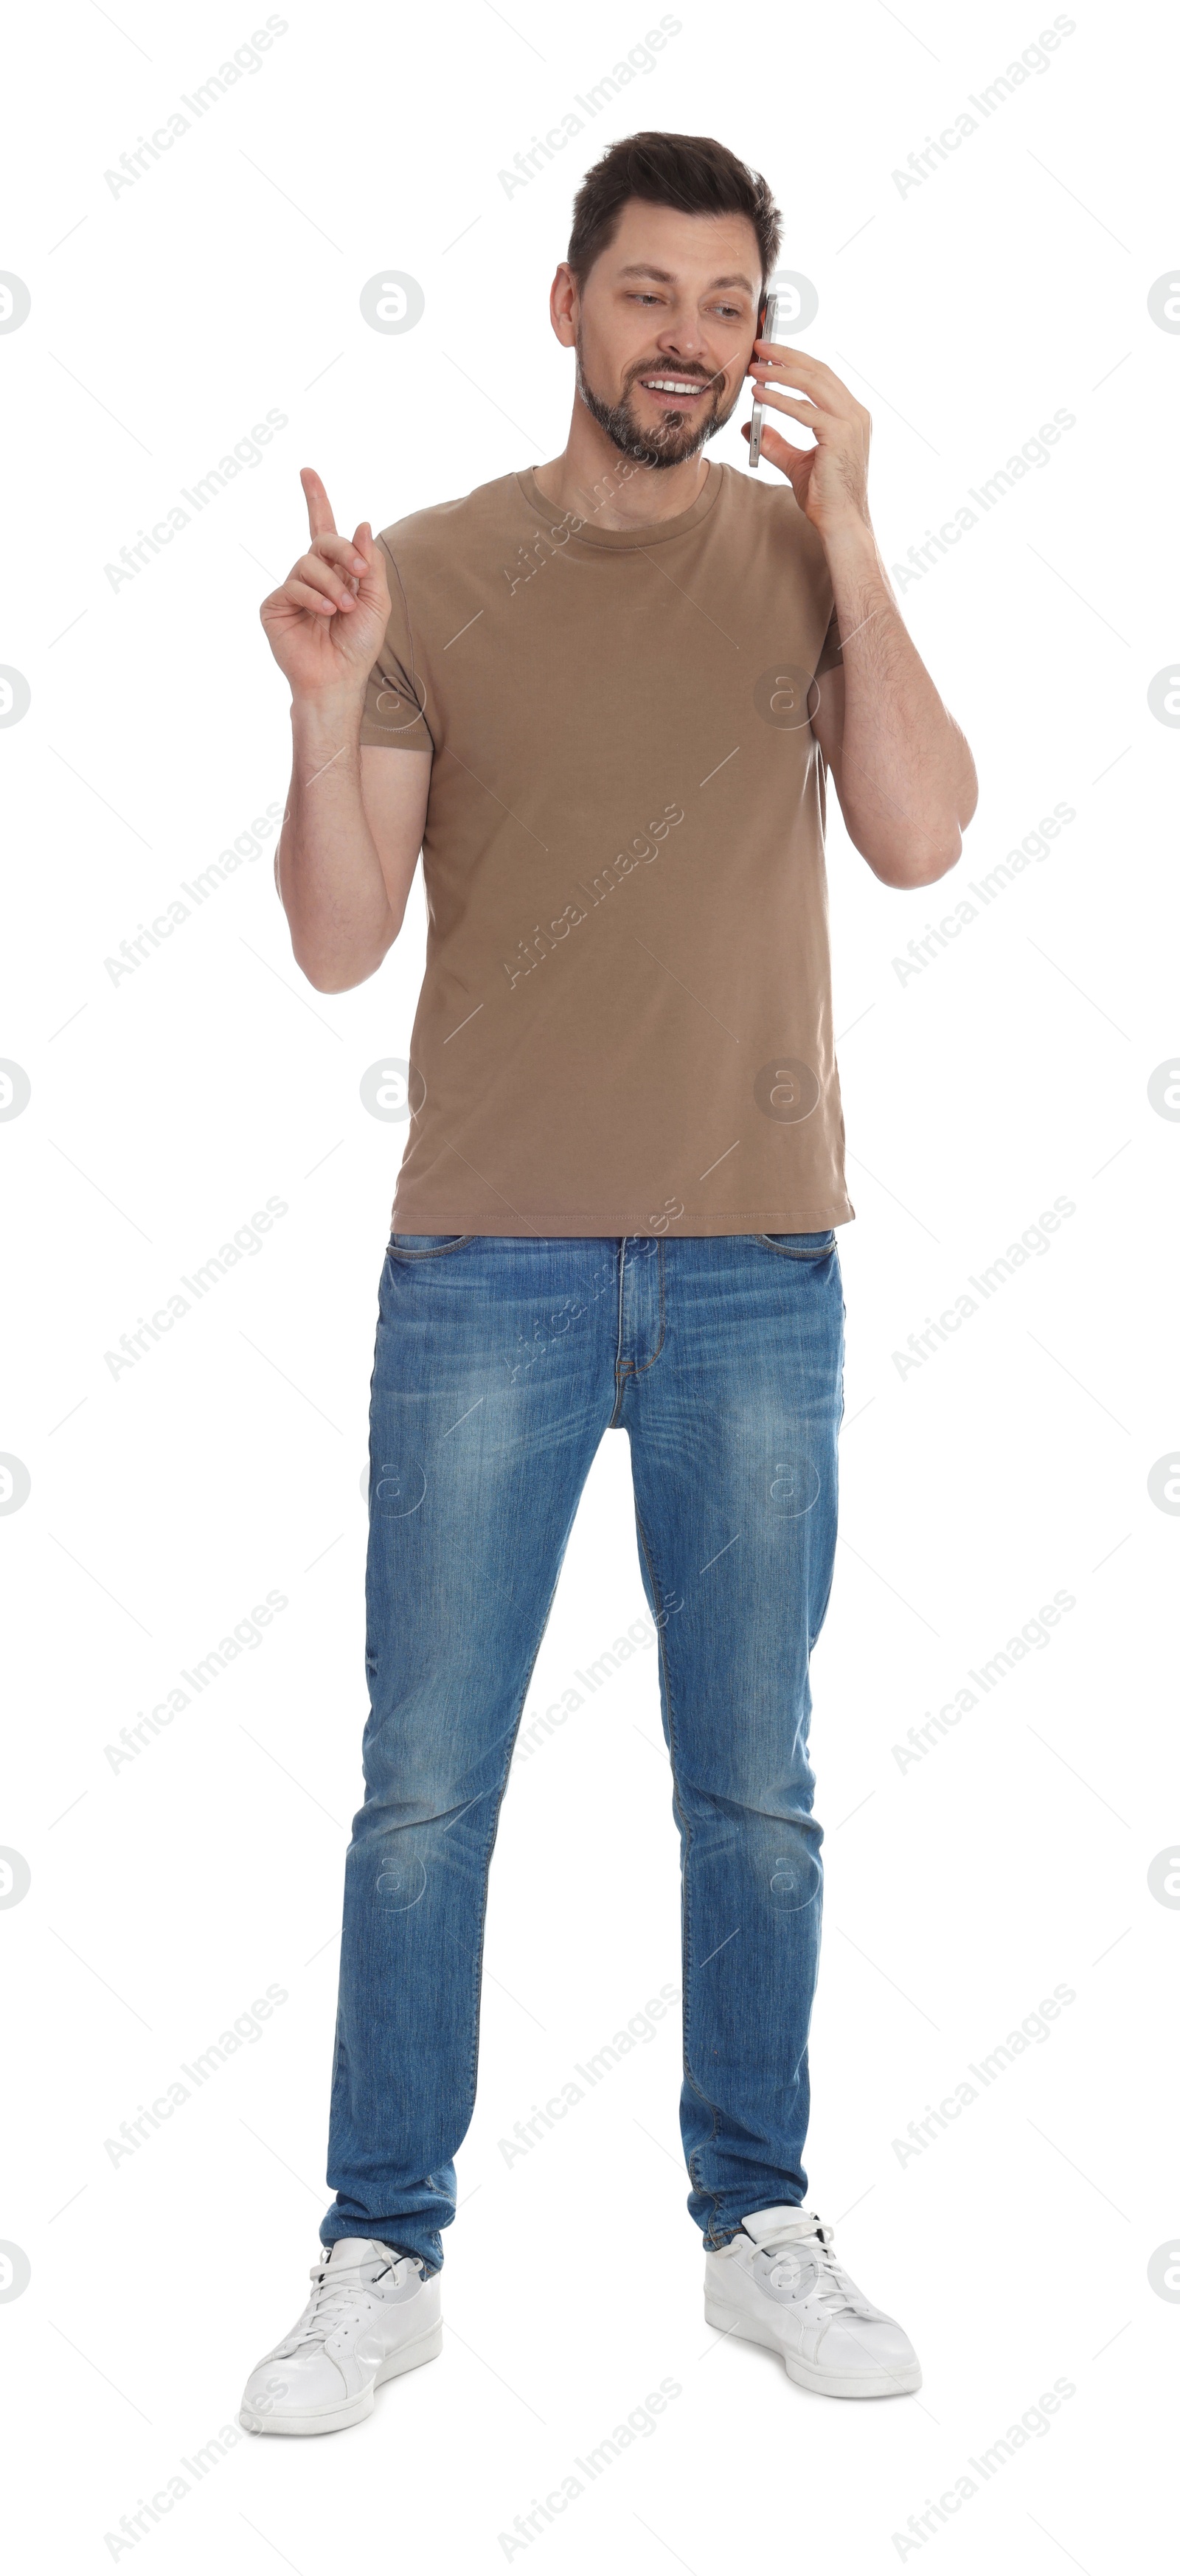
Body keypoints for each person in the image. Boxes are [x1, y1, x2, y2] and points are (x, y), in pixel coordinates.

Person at [240, 129, 976, 2437]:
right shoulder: (434, 580)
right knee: (424, 1790)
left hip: (761, 1266)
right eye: (650, 295)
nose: (689, 340)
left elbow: (928, 829)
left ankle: (758, 2222)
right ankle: (381, 2250)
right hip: (492, 1263)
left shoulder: (801, 559)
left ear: (767, 334)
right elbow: (342, 940)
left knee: (751, 1784)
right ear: (570, 304)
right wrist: (323, 694)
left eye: (731, 305)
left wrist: (853, 519)